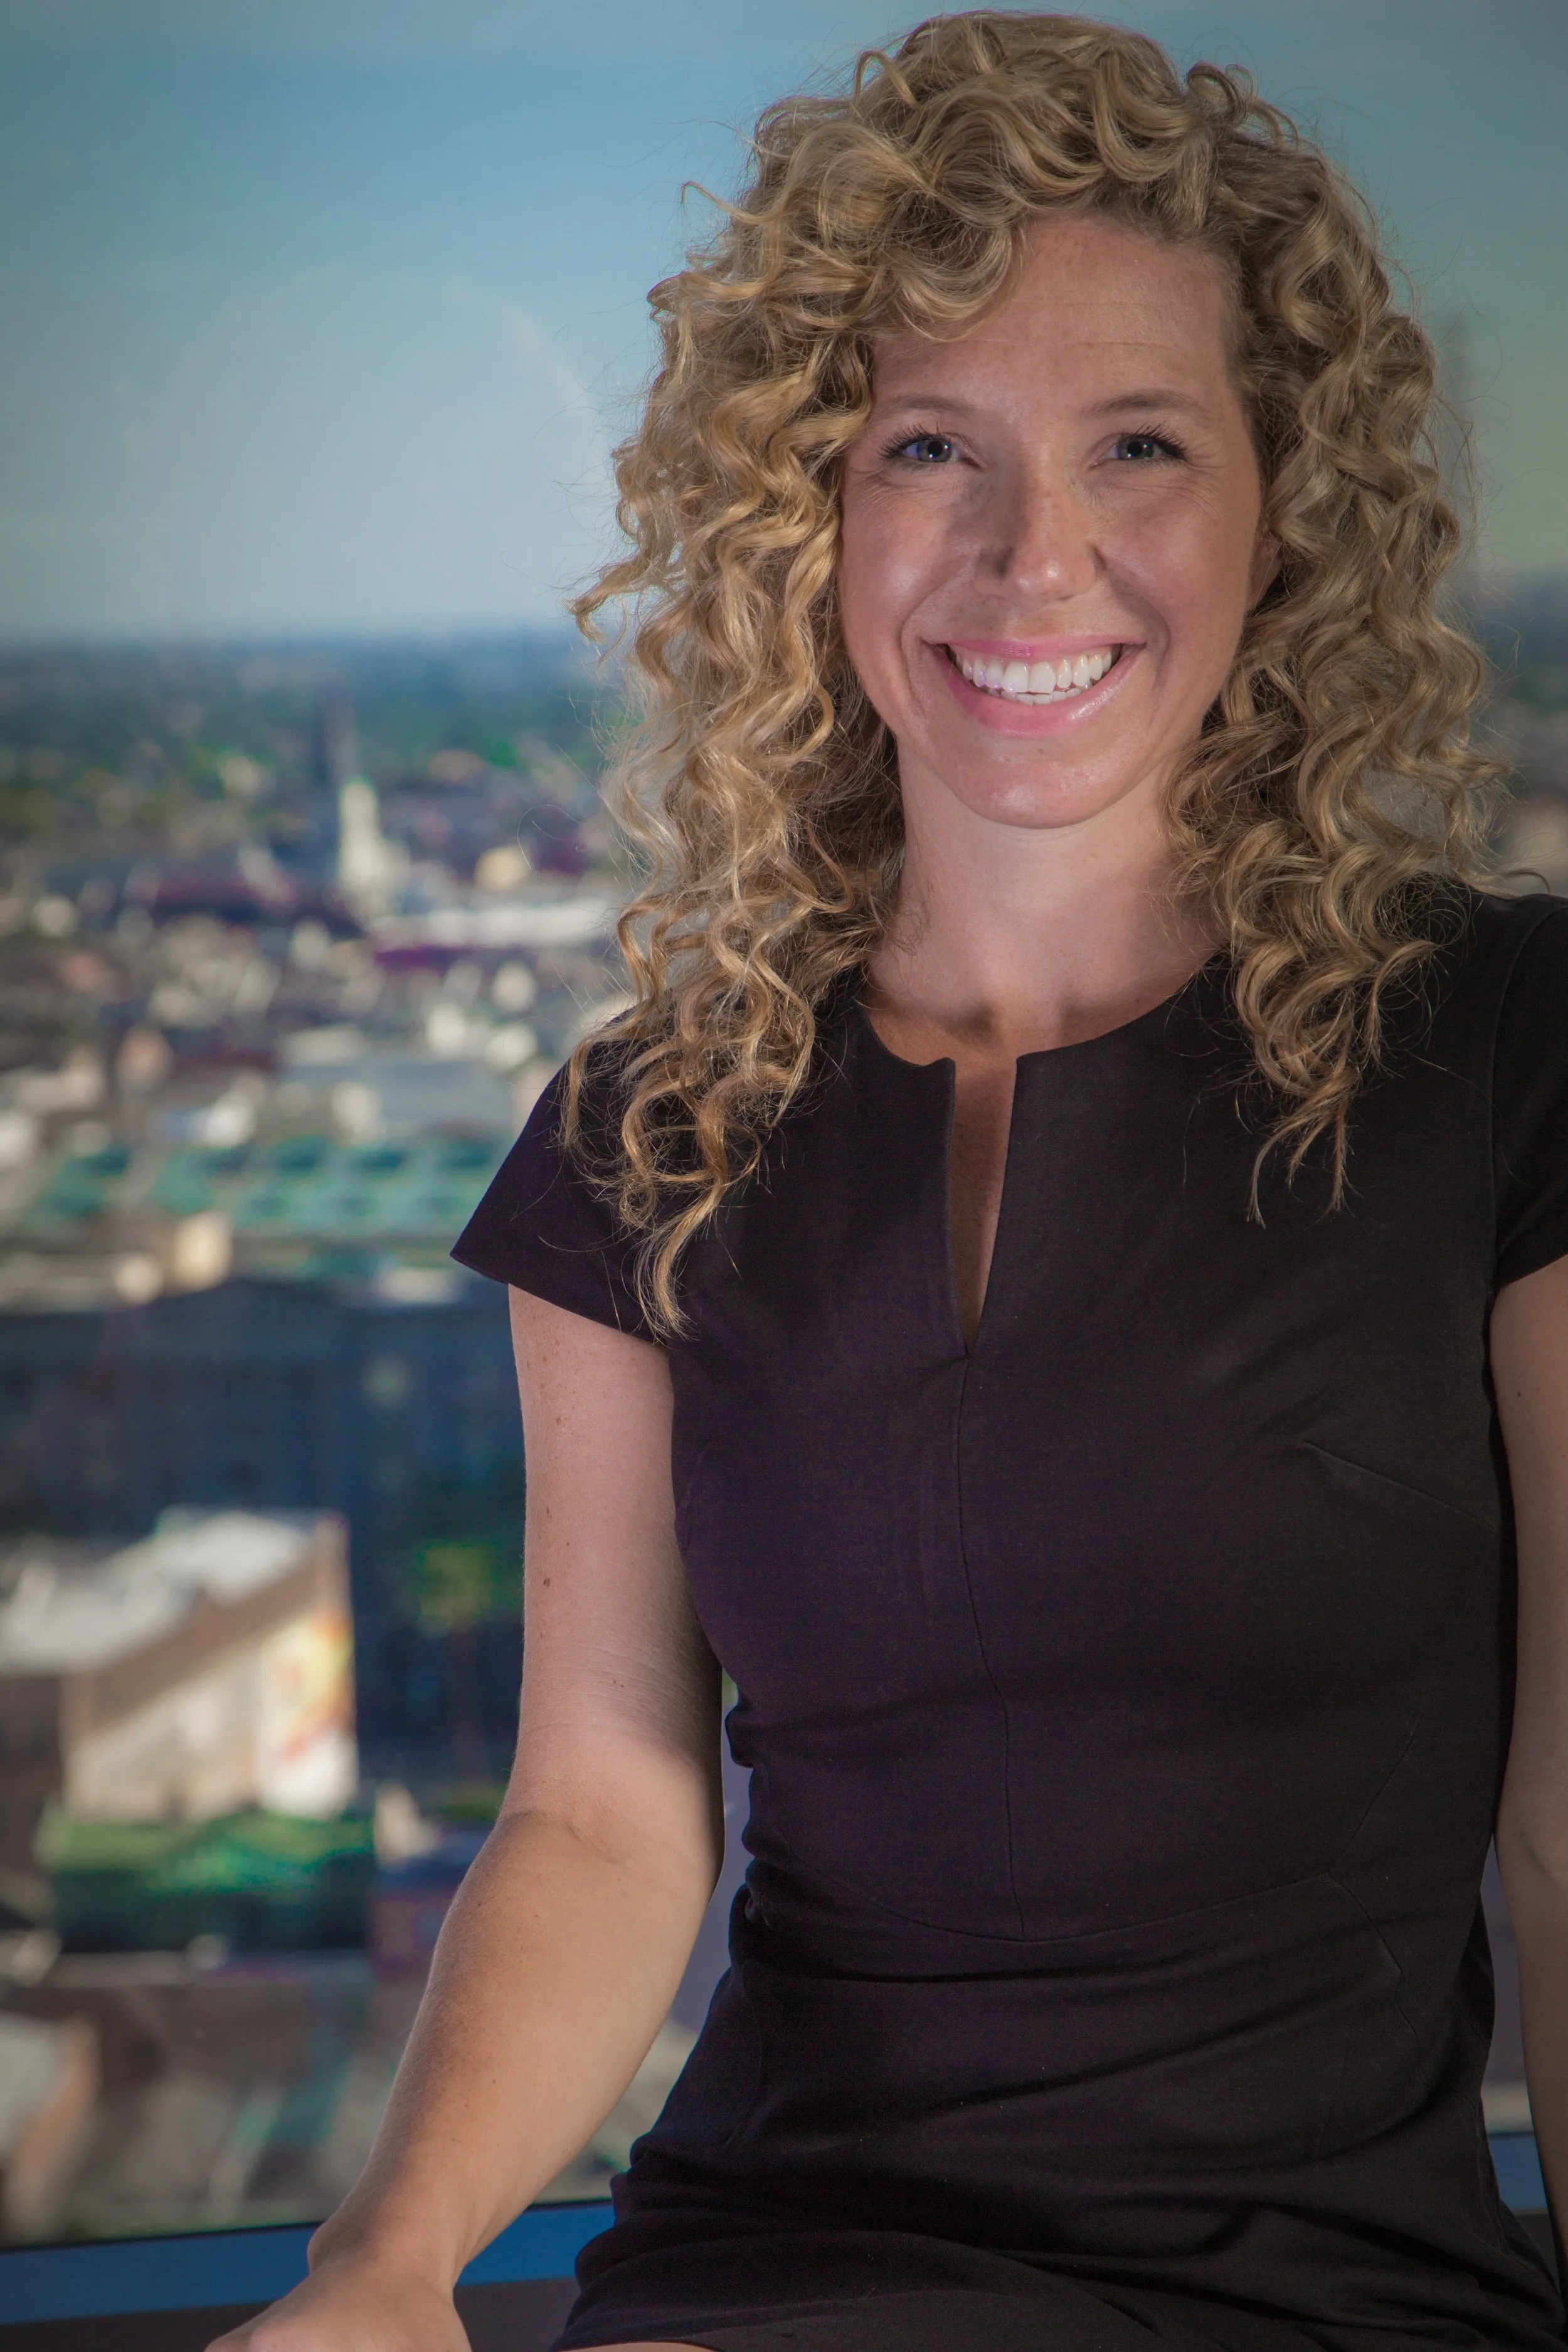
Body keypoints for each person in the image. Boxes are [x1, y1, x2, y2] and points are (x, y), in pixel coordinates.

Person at [218, 14, 1568, 2351]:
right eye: (926, 446)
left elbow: (1567, 1831)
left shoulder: (1505, 1051)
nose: (1033, 555)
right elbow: (606, 1820)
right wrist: (382, 2260)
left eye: (1136, 445)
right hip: (773, 2273)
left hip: (1334, 2296)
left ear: (1287, 507)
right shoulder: (653, 1125)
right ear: (799, 518)